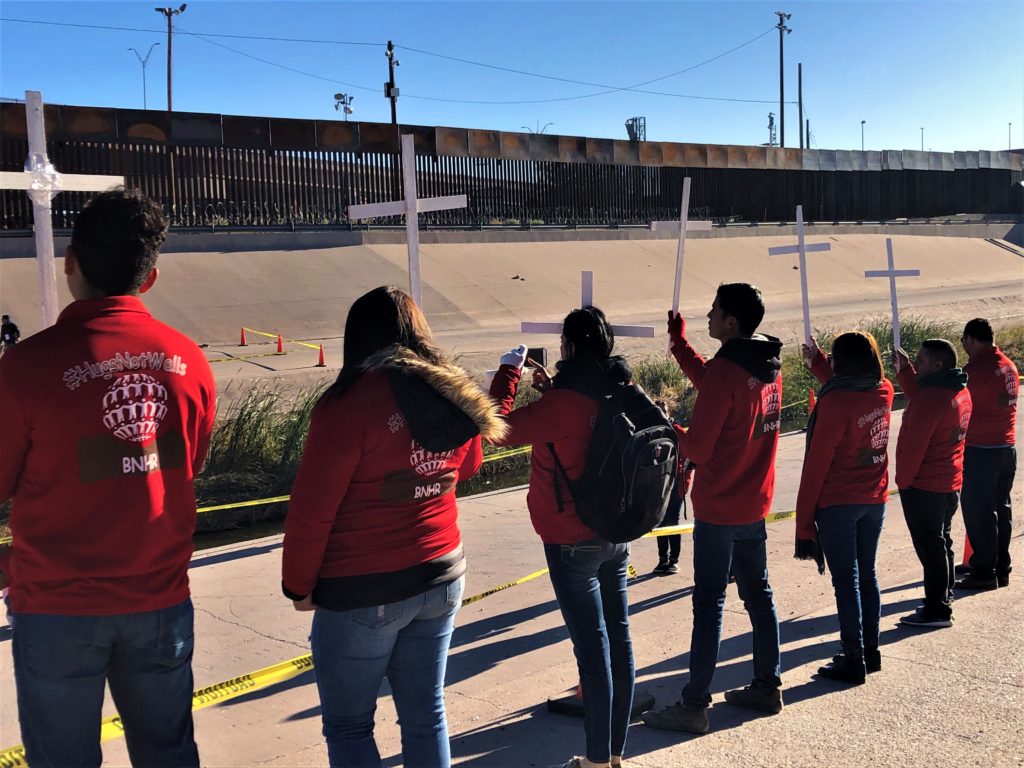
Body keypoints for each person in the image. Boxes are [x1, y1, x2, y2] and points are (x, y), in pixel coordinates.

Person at [0, 188, 216, 767]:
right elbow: (186, 464)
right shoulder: (189, 362)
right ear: (150, 278)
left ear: (70, 262)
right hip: (161, 599)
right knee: (169, 753)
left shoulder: (25, 367)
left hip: (56, 606)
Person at [281, 286, 504, 768]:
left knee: (350, 727)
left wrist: (298, 585)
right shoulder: (450, 392)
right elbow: (467, 466)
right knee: (427, 716)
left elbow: (312, 510)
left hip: (363, 588)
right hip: (442, 572)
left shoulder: (348, 404)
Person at [488, 307, 634, 768]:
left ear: (568, 347)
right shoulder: (622, 387)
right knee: (619, 642)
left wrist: (508, 372)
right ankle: (614, 754)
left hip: (570, 538)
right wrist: (553, 393)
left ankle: (595, 762)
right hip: (617, 529)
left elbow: (496, 428)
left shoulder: (559, 407)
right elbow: (586, 425)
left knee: (592, 651)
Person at [643, 283, 783, 734]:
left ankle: (694, 704)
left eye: (714, 310)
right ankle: (767, 684)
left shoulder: (728, 372)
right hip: (754, 502)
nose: (708, 316)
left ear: (732, 321)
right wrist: (679, 345)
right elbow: (714, 382)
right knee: (758, 595)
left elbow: (698, 448)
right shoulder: (766, 365)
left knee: (709, 603)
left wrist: (670, 427)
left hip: (720, 506)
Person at [796, 333, 894, 684]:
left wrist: (804, 521)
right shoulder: (883, 389)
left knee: (847, 581)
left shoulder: (835, 402)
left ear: (843, 363)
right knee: (867, 575)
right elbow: (847, 388)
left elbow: (816, 465)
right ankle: (870, 649)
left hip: (839, 501)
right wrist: (819, 362)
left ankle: (852, 657)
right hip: (874, 498)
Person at [894, 339, 972, 628]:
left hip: (925, 485)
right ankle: (943, 596)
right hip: (949, 480)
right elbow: (923, 396)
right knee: (942, 542)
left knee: (931, 548)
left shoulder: (930, 400)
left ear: (938, 365)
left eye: (922, 361)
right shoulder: (958, 389)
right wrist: (906, 372)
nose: (917, 363)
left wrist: (903, 483)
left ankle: (937, 609)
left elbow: (914, 447)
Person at [957, 318, 1018, 590]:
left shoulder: (976, 370)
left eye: (964, 341)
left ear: (971, 339)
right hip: (1006, 447)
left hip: (981, 449)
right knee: (1001, 510)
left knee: (979, 513)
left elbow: (955, 403)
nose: (964, 346)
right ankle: (1000, 567)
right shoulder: (1008, 365)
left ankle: (984, 571)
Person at [653, 400, 687, 576]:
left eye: (662, 411)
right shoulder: (653, 433)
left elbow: (690, 458)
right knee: (659, 521)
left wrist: (683, 482)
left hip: (676, 485)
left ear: (668, 412)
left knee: (672, 521)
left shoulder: (678, 431)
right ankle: (662, 559)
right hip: (658, 485)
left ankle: (674, 560)